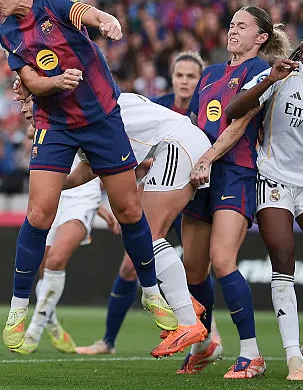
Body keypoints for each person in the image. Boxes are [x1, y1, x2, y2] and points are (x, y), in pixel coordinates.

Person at [0, 0, 175, 351]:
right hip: (56, 123)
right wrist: (53, 83)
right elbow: (29, 81)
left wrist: (104, 20)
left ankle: (150, 294)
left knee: (129, 211)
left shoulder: (49, 2)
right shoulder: (7, 31)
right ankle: (17, 308)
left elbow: (80, 11)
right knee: (38, 214)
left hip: (103, 118)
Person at [223, 18, 303, 381]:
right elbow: (234, 109)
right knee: (283, 260)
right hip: (273, 178)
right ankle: (293, 356)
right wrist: (269, 79)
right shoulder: (282, 74)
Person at [49, 91, 213, 358]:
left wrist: (49, 182)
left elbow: (107, 170)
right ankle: (186, 306)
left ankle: (186, 321)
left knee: (147, 237)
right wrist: (53, 183)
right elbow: (90, 168)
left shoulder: (90, 113)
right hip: (178, 145)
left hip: (177, 146)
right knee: (143, 236)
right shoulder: (97, 103)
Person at [176, 6, 289, 378]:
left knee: (223, 260)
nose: (232, 30)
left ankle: (251, 353)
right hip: (200, 174)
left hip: (234, 173)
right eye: (230, 24)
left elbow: (241, 124)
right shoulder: (208, 75)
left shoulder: (259, 71)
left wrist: (208, 158)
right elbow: (193, 126)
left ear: (261, 38)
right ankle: (204, 341)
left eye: (242, 25)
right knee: (193, 269)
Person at [12, 152, 112, 354]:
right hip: (54, 194)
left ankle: (33, 333)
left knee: (55, 260)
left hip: (83, 196)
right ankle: (53, 326)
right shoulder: (43, 127)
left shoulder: (86, 121)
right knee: (43, 269)